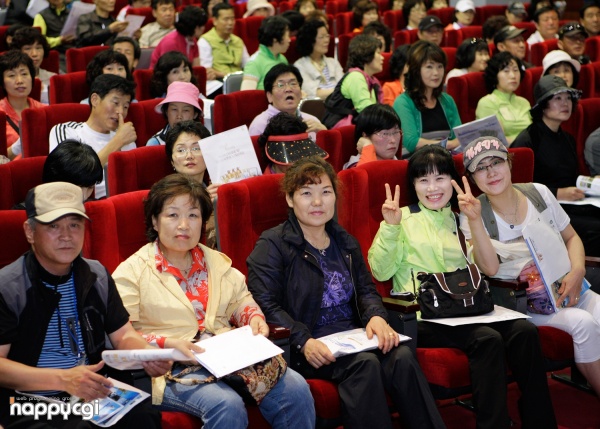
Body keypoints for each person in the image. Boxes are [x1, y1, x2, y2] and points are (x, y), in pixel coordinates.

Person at [247, 156, 447, 429]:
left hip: (351, 339)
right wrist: (303, 341)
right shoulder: (273, 243)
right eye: (307, 193)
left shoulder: (344, 240)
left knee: (401, 357)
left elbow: (366, 290)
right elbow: (266, 305)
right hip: (309, 346)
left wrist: (376, 316)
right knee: (365, 364)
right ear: (290, 199)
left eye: (326, 192)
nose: (318, 202)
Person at [367, 144, 558, 429]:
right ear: (414, 185)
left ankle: (540, 421)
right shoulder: (401, 218)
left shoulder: (458, 217)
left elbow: (486, 268)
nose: (433, 187)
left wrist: (474, 219)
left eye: (440, 178)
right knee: (486, 338)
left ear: (453, 182)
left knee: (524, 330)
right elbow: (380, 271)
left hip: (464, 310)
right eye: (423, 180)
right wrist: (391, 227)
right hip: (420, 316)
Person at [112, 174, 316, 428]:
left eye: (193, 215)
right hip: (168, 368)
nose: (184, 225)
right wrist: (169, 345)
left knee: (296, 388)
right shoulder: (131, 271)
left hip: (226, 358)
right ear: (155, 220)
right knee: (226, 405)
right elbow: (121, 334)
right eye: (173, 215)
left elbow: (241, 299)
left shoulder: (215, 260)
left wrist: (254, 318)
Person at [0, 181, 170, 429]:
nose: (67, 236)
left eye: (75, 225)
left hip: (89, 391)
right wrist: (62, 379)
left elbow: (123, 335)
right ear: (29, 231)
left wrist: (145, 354)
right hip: (29, 397)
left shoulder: (96, 274)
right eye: (53, 226)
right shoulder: (8, 286)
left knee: (144, 416)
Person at [458, 135, 600, 398]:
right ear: (472, 177)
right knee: (583, 324)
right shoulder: (474, 214)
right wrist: (475, 220)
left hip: (570, 285)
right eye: (481, 167)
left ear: (509, 164)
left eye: (496, 162)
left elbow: (572, 237)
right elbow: (489, 269)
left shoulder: (538, 192)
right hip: (525, 303)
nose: (491, 172)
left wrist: (578, 271)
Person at [512, 75, 600, 257]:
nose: (565, 103)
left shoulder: (566, 137)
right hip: (542, 209)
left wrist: (591, 182)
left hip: (571, 203)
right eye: (557, 98)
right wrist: (558, 192)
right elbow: (519, 188)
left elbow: (569, 176)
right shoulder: (527, 140)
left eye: (568, 98)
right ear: (543, 104)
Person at [49, 74, 137, 199]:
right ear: (95, 99)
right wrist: (118, 141)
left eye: (126, 106)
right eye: (115, 103)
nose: (121, 112)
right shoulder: (67, 131)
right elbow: (69, 178)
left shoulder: (127, 139)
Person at [394, 40, 461, 153]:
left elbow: (459, 136)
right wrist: (449, 144)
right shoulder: (403, 102)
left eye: (440, 66)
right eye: (429, 67)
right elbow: (412, 143)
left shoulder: (447, 100)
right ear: (416, 70)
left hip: (447, 159)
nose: (436, 72)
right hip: (418, 162)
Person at [322, 35, 384, 129]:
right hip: (341, 129)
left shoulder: (372, 80)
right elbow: (368, 112)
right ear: (367, 55)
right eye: (378, 53)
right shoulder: (355, 76)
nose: (382, 57)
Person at [249, 64, 326, 137]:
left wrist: (325, 132)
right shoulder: (259, 126)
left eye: (293, 83)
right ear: (269, 96)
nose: (288, 89)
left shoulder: (312, 121)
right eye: (280, 85)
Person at [475, 52, 531, 144]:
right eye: (506, 71)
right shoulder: (487, 102)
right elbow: (497, 142)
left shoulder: (524, 102)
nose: (513, 76)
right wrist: (530, 141)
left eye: (516, 70)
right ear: (495, 75)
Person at [0, 51, 45, 160]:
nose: (19, 81)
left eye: (24, 74)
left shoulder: (44, 111)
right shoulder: (1, 113)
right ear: (2, 83)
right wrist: (16, 147)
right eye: (11, 75)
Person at [257, 112, 328, 175]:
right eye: (290, 152)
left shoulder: (314, 174)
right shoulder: (264, 185)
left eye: (301, 150)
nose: (298, 161)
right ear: (273, 152)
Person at [294, 19, 343, 100]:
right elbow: (313, 94)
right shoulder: (299, 66)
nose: (326, 40)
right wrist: (339, 92)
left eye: (327, 36)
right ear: (310, 40)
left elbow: (344, 86)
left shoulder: (333, 62)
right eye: (321, 37)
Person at [199, 3, 250, 81]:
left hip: (240, 79)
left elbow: (248, 65)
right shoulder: (205, 41)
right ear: (215, 21)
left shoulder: (238, 41)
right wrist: (226, 75)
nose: (230, 23)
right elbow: (207, 70)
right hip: (218, 81)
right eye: (226, 19)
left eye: (232, 19)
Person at [343, 104, 401, 169]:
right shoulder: (353, 167)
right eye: (384, 134)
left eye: (396, 132)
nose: (393, 140)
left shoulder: (402, 165)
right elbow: (365, 176)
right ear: (365, 137)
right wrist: (367, 147)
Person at [241, 16, 290, 91]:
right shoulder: (254, 63)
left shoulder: (283, 59)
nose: (289, 40)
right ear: (275, 39)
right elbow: (246, 97)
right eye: (287, 36)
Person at [147, 82, 202, 146]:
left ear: (195, 114)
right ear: (166, 111)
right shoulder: (155, 143)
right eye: (174, 109)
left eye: (186, 110)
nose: (179, 116)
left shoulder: (204, 139)